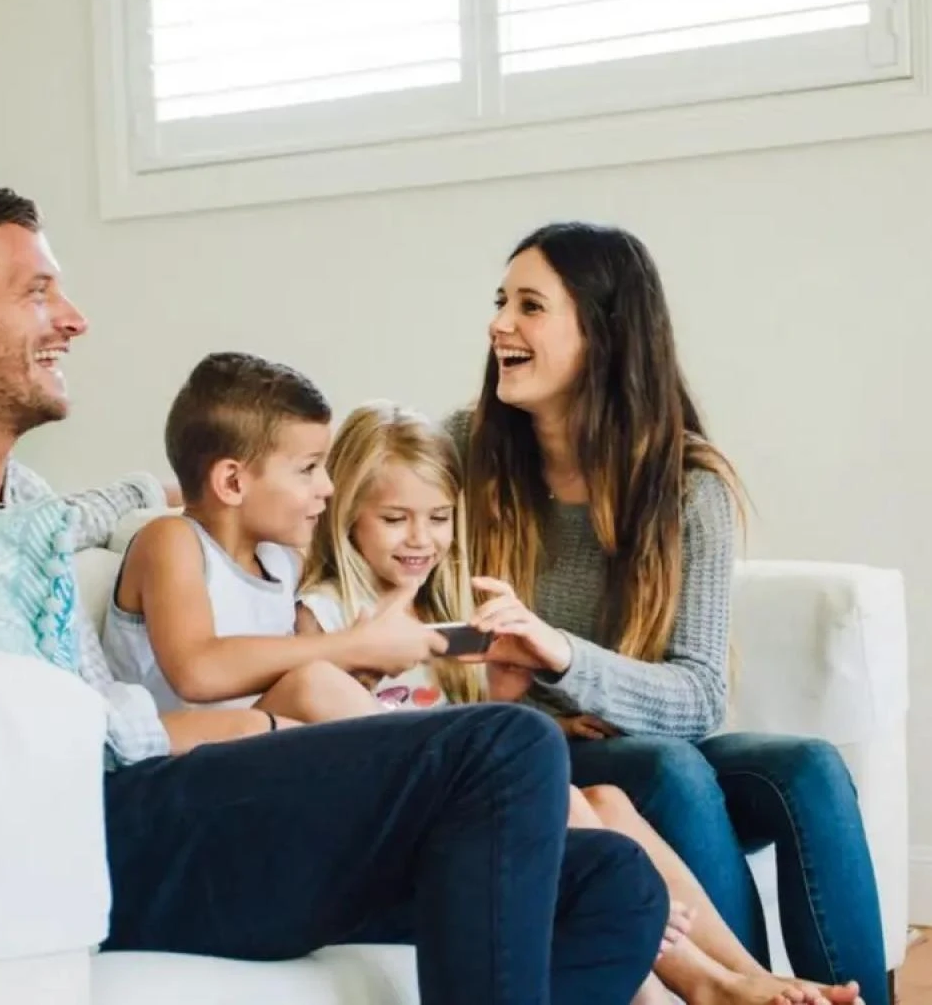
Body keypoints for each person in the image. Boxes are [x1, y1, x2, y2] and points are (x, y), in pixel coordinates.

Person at [0, 185, 670, 1005]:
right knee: (505, 746)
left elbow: (81, 553)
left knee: (613, 886)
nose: (72, 319)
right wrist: (245, 724)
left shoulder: (23, 503)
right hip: (73, 825)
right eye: (37, 292)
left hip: (144, 790)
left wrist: (161, 509)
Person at [283, 398, 860, 1005]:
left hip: (455, 800)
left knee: (608, 801)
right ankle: (702, 981)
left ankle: (752, 975)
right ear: (348, 516)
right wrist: (365, 667)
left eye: (439, 518)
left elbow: (456, 725)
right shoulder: (328, 616)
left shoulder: (443, 611)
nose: (420, 539)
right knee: (570, 805)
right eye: (395, 519)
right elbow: (330, 741)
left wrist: (529, 709)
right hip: (404, 817)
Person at [447, 221, 889, 1004]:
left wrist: (563, 657)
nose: (500, 324)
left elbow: (699, 698)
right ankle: (759, 995)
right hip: (540, 750)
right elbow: (394, 586)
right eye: (500, 301)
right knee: (669, 767)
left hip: (643, 741)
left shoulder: (687, 486)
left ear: (603, 333)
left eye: (530, 306)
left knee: (810, 768)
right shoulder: (461, 456)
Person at [100, 352, 455, 726]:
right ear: (233, 482)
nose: (327, 487)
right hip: (175, 754)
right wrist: (355, 646)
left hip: (267, 744)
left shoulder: (284, 563)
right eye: (308, 469)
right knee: (313, 685)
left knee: (323, 684)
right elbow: (197, 671)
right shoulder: (172, 541)